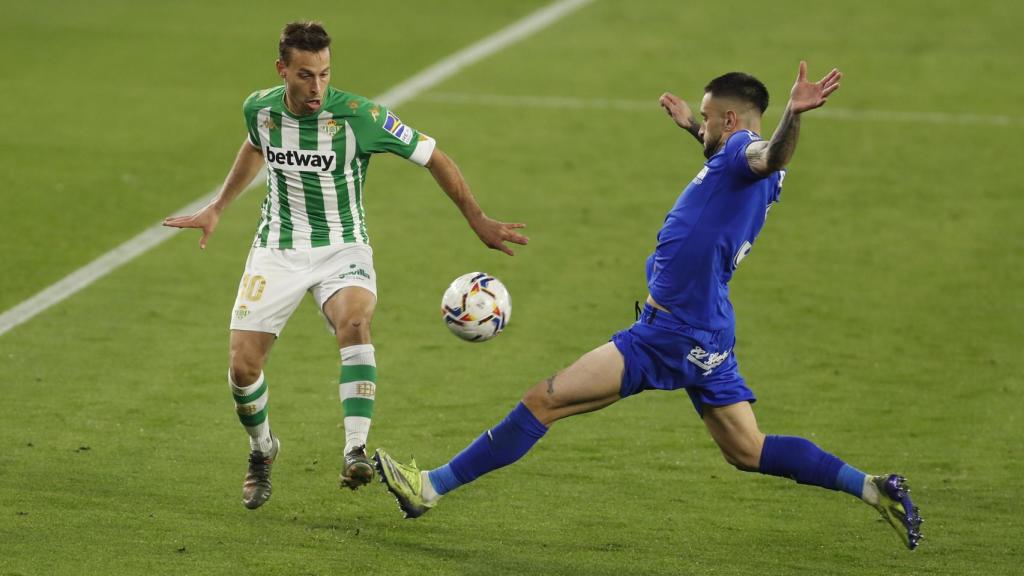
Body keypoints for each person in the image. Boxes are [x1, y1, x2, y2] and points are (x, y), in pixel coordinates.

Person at [374, 62, 924, 550]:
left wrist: (794, 115)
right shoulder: (748, 169)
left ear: (732, 122)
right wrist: (692, 127)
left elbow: (766, 149)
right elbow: (746, 159)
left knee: (544, 401)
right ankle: (872, 487)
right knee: (748, 450)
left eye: (708, 116)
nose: (702, 124)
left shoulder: (746, 153)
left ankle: (430, 488)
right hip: (709, 330)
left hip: (668, 333)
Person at [163, 21, 527, 510]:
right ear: (282, 70)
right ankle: (262, 451)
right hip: (277, 248)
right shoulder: (260, 108)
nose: (317, 88)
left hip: (343, 247)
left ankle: (355, 448)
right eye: (305, 75)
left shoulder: (361, 116)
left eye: (325, 74)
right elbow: (256, 145)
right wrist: (219, 205)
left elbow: (433, 155)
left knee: (355, 321)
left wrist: (477, 218)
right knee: (242, 367)